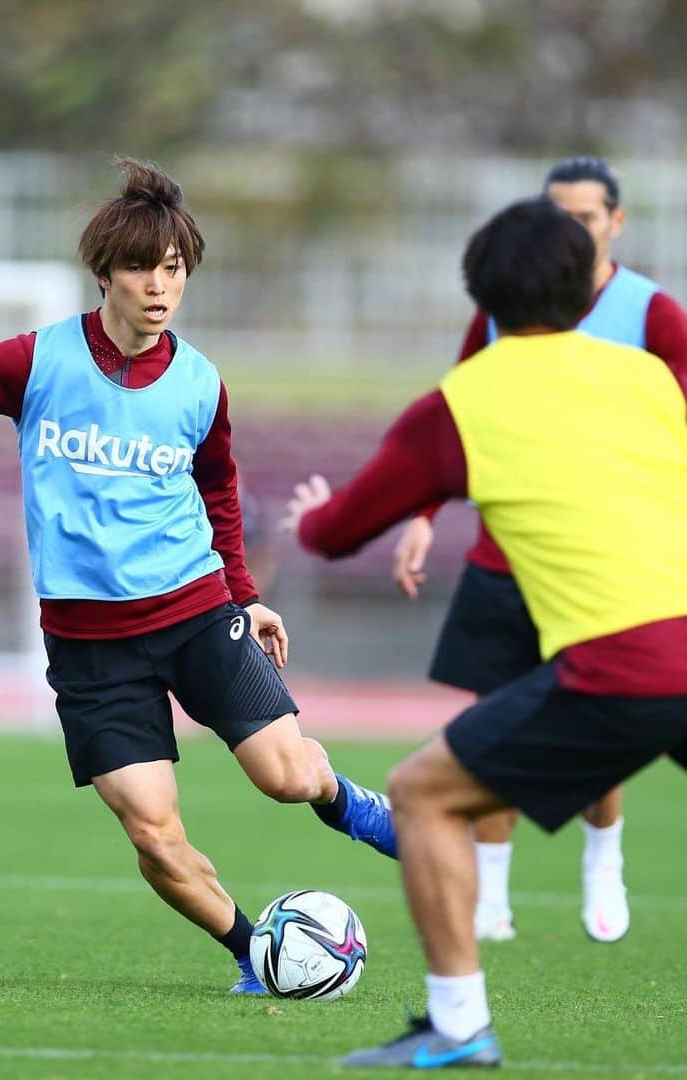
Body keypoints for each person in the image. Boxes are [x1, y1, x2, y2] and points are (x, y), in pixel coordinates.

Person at [0, 158, 397, 994]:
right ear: (103, 275)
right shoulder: (39, 362)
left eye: (175, 269)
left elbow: (220, 488)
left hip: (197, 613)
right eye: (141, 268)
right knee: (154, 836)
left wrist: (245, 594)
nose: (160, 287)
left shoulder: (200, 383)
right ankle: (253, 953)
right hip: (92, 649)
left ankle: (351, 804)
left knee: (287, 778)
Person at [287, 197, 687, 1068]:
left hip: (628, 663)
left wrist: (314, 515)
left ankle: (459, 1026)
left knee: (425, 792)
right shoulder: (653, 377)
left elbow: (336, 534)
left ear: (482, 298)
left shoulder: (464, 402)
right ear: (590, 290)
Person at [390, 157, 687, 944]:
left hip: (607, 560)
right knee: (491, 724)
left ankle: (603, 857)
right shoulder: (499, 313)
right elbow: (451, 416)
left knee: (599, 712)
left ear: (615, 224)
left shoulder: (651, 314)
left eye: (586, 216)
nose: (569, 227)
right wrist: (421, 513)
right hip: (507, 557)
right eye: (556, 212)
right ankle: (490, 894)